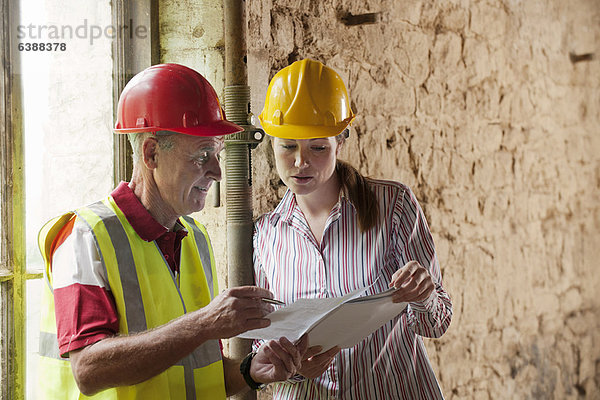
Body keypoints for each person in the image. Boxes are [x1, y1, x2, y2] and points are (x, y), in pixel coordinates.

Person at [37, 63, 307, 400]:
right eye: (203, 155)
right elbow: (89, 371)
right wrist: (204, 323)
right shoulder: (86, 236)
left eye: (217, 154)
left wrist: (250, 372)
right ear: (151, 153)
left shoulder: (195, 237)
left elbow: (195, 368)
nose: (217, 172)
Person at [252, 58, 453, 399]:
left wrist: (424, 294)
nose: (301, 162)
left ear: (340, 143)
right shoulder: (266, 235)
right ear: (271, 142)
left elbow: (436, 323)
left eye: (318, 148)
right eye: (287, 146)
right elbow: (260, 348)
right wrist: (295, 369)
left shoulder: (393, 206)